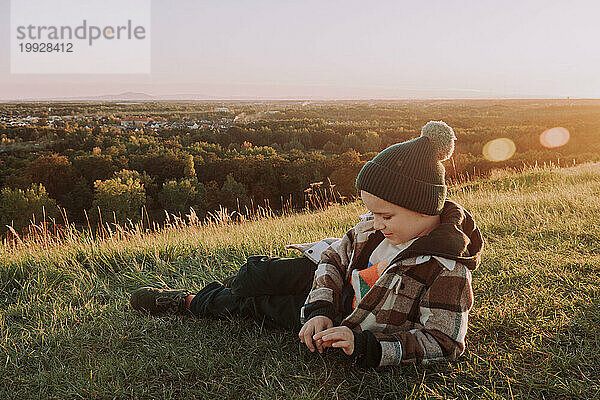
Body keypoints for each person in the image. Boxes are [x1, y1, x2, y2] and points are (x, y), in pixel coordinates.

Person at [129, 121, 484, 368]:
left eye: (386, 216)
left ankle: (190, 302)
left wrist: (365, 345)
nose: (375, 224)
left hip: (352, 320)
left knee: (258, 307)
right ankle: (236, 287)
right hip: (322, 284)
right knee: (255, 275)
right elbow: (333, 258)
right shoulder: (372, 229)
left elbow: (444, 341)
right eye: (371, 213)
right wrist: (319, 309)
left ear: (424, 208)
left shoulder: (446, 269)